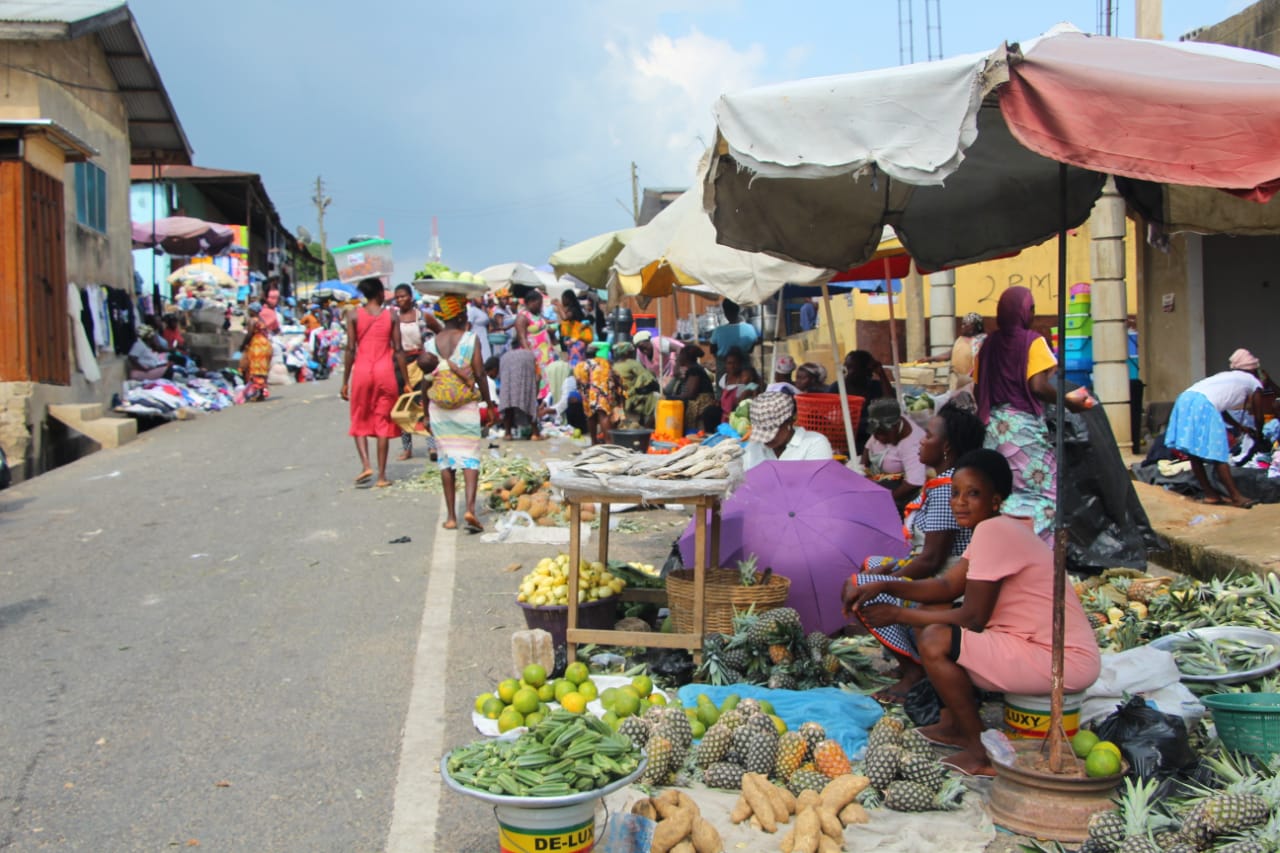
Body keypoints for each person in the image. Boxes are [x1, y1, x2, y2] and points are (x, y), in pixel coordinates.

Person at [843, 449, 1102, 776]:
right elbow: (948, 586)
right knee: (934, 610)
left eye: (973, 494)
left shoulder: (995, 531)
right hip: (1042, 651)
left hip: (1060, 662)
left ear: (995, 501)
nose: (960, 502)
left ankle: (980, 750)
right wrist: (883, 585)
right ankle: (953, 723)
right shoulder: (997, 528)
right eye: (955, 493)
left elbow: (972, 618)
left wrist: (898, 615)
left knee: (937, 637)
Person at [850, 404, 987, 701]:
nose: (921, 441)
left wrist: (885, 580)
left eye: (928, 436)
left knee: (861, 587)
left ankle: (914, 670)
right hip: (940, 571)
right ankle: (912, 659)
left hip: (946, 584)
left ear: (946, 446)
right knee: (872, 565)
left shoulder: (946, 490)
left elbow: (932, 560)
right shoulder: (944, 483)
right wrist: (884, 571)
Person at [975, 286, 1088, 542]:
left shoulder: (987, 344)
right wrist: (1068, 401)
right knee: (1045, 493)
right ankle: (1035, 553)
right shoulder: (1032, 341)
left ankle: (1004, 547)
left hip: (993, 429)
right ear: (1025, 311)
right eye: (1032, 308)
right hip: (1022, 429)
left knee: (1005, 492)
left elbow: (977, 387)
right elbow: (1037, 386)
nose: (1034, 314)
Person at [423, 294, 492, 532]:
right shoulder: (470, 339)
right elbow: (480, 373)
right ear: (462, 315)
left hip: (439, 410)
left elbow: (425, 381)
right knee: (470, 459)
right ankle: (470, 509)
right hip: (465, 407)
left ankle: (452, 517)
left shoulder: (431, 344)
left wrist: (424, 412)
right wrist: (489, 405)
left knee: (446, 461)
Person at [1166, 348, 1268, 509]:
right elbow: (1258, 413)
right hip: (1203, 404)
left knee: (1194, 453)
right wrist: (1259, 433)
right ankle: (1236, 497)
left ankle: (1210, 494)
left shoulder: (1225, 376)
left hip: (1185, 399)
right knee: (1219, 452)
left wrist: (1240, 427)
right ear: (1254, 369)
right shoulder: (1253, 382)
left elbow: (1221, 408)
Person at [341, 278, 408, 488]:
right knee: (383, 422)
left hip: (362, 371)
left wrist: (345, 381)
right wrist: (406, 381)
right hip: (384, 372)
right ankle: (381, 476)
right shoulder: (392, 316)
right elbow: (398, 350)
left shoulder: (353, 315)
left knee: (359, 417)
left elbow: (350, 349)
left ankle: (366, 465)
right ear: (380, 294)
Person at [394, 284, 441, 461]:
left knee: (424, 403)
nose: (400, 300)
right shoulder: (394, 319)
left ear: (410, 297)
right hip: (400, 365)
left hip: (421, 362)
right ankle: (407, 448)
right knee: (403, 407)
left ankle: (432, 446)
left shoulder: (423, 317)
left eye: (403, 296)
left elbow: (440, 332)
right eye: (397, 297)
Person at [863, 398, 929, 512]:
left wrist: (885, 500)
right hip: (875, 477)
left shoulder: (913, 445)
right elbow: (868, 447)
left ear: (895, 428)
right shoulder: (881, 428)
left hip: (897, 490)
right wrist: (862, 468)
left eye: (881, 434)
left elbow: (913, 483)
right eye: (875, 434)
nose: (876, 438)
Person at [742, 391, 834, 469]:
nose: (766, 439)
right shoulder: (753, 448)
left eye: (772, 431)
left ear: (790, 421)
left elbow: (816, 484)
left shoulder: (814, 443)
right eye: (761, 431)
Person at [664, 344, 718, 435]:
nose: (678, 357)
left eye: (680, 355)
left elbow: (690, 394)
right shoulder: (691, 369)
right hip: (696, 398)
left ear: (685, 357)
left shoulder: (695, 369)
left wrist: (673, 398)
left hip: (702, 401)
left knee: (668, 400)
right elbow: (676, 374)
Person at [574, 341, 619, 444]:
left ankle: (594, 441)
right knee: (603, 415)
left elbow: (579, 382)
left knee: (591, 416)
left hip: (588, 393)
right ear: (596, 353)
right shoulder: (603, 362)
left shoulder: (580, 366)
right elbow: (613, 375)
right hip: (602, 391)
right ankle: (608, 441)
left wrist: (585, 394)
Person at [498, 339, 542, 440]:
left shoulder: (504, 357)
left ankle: (508, 433)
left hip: (508, 384)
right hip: (524, 382)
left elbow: (500, 376)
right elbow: (538, 376)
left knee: (508, 404)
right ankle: (535, 434)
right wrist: (535, 392)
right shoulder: (530, 355)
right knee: (528, 402)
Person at [516, 290, 556, 400]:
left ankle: (546, 403)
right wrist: (530, 357)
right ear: (530, 302)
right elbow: (522, 338)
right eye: (539, 304)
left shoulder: (538, 315)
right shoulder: (523, 317)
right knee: (537, 381)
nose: (541, 306)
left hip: (546, 355)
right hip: (535, 356)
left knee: (548, 379)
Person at [610, 341, 660, 428]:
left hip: (618, 397)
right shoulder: (632, 363)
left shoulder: (614, 365)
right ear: (627, 352)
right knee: (658, 400)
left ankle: (622, 425)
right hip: (631, 396)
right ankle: (647, 428)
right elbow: (647, 377)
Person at [709, 299, 759, 377]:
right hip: (744, 365)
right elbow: (752, 348)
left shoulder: (719, 331)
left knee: (723, 388)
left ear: (725, 312)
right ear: (738, 310)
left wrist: (725, 360)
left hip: (724, 366)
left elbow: (712, 350)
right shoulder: (750, 328)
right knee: (744, 387)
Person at [237, 304, 273, 400]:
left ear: (253, 311)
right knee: (262, 369)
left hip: (257, 345)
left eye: (249, 310)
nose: (248, 312)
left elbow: (249, 334)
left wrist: (243, 345)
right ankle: (261, 393)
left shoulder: (253, 320)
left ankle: (258, 393)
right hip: (266, 345)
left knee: (255, 369)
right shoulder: (262, 320)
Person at [718, 347, 761, 420]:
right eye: (729, 363)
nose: (732, 366)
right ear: (725, 365)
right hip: (726, 411)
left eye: (735, 363)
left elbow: (743, 400)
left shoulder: (748, 385)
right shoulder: (724, 379)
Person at [467, 296, 492, 361]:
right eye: (478, 297)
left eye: (482, 297)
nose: (481, 299)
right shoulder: (472, 310)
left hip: (483, 337)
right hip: (477, 338)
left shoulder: (481, 310)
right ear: (473, 298)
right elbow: (468, 326)